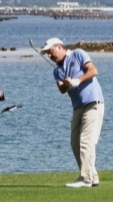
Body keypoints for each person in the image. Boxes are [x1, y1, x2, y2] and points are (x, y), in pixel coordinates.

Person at [41, 37, 104, 188]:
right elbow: (62, 89)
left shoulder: (78, 54)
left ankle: (86, 179)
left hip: (93, 102)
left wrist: (77, 80)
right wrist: (66, 83)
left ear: (59, 47)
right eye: (47, 54)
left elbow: (93, 71)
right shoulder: (57, 71)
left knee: (86, 141)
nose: (49, 56)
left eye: (50, 52)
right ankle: (92, 176)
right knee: (75, 143)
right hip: (77, 107)